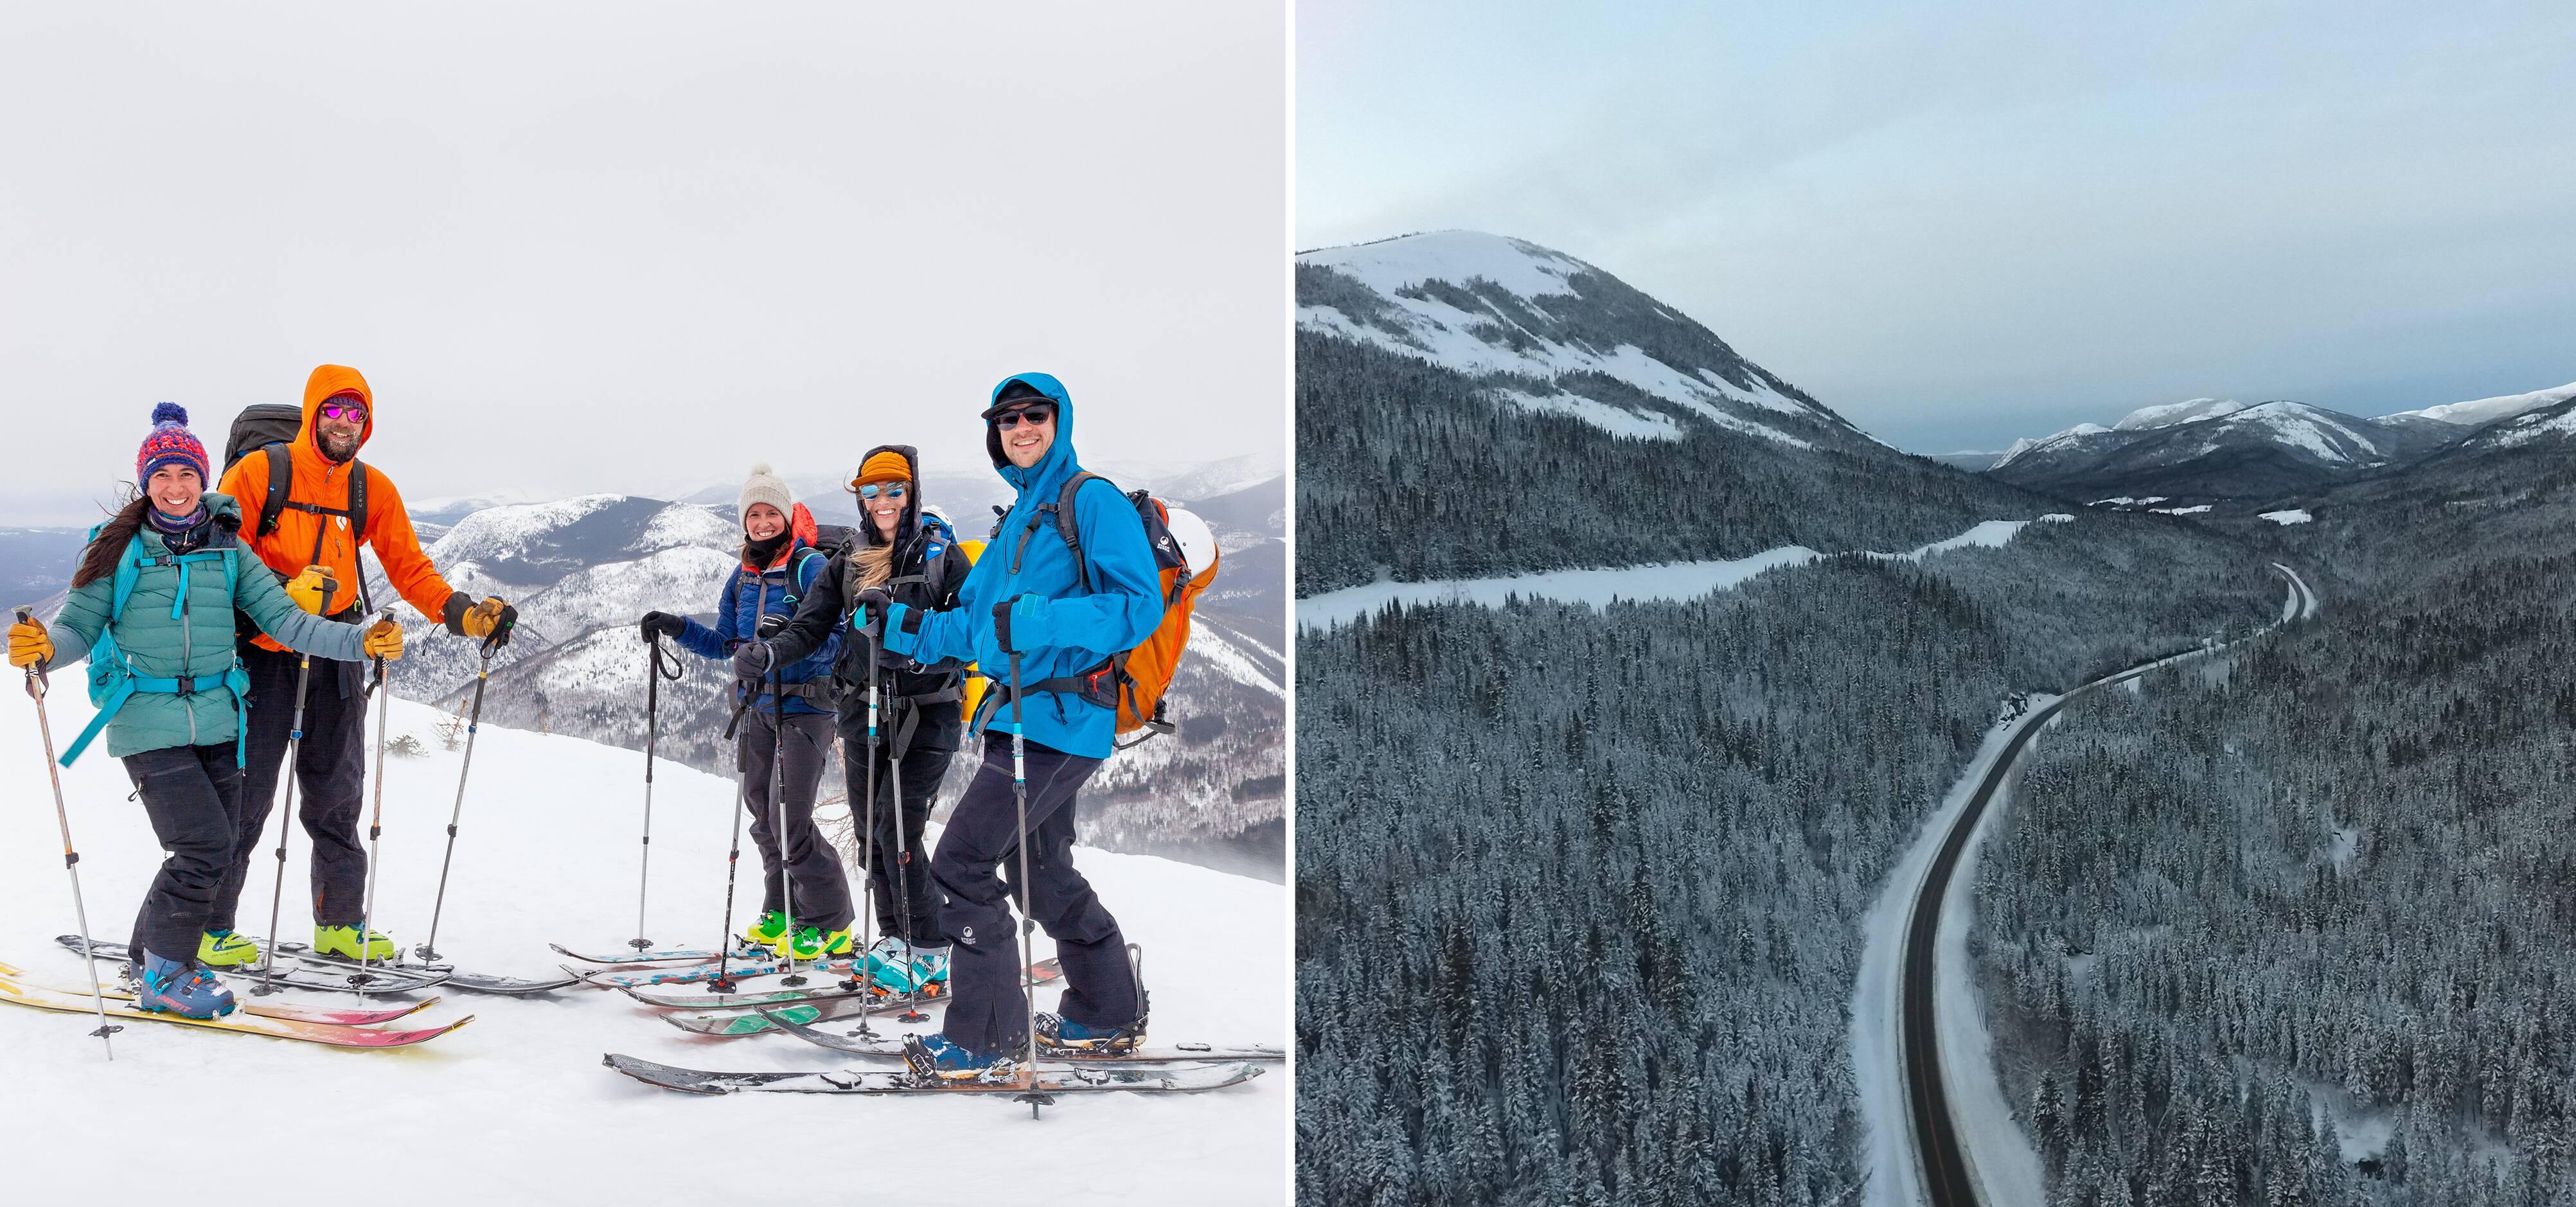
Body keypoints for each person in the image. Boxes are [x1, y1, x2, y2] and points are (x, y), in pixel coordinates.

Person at [5, 405, 405, 1018]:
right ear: (147, 483)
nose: (174, 487)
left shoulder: (229, 548)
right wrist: (45, 649)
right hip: (147, 717)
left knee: (210, 847)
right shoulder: (117, 551)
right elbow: (79, 629)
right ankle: (167, 974)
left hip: (222, 720)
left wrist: (361, 640)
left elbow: (286, 621)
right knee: (204, 847)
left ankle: (149, 955)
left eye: (185, 474)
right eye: (161, 475)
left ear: (203, 478)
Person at [867, 373, 1165, 1078]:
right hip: (1017, 716)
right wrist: (898, 625)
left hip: (1064, 718)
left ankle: (986, 1036)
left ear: (1058, 421)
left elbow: (1137, 605)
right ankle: (1108, 1010)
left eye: (1034, 415)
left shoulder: (1087, 500)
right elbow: (973, 627)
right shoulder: (1017, 520)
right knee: (1035, 868)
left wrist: (1038, 619)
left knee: (960, 864)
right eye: (1007, 419)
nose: (1021, 427)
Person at [203, 364, 514, 969]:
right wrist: (283, 592)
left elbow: (410, 568)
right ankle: (211, 925)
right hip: (264, 654)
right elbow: (218, 554)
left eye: (356, 413)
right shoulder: (260, 472)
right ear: (314, 411)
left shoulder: (370, 488)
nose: (345, 423)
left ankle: (340, 924)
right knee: (247, 794)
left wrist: (464, 614)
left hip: (339, 651)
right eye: (335, 410)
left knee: (337, 794)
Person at [758, 445, 972, 994]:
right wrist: (769, 655)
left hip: (926, 713)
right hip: (862, 710)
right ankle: (897, 938)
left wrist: (913, 640)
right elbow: (809, 625)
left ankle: (928, 946)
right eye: (871, 491)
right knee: (869, 833)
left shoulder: (941, 558)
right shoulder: (848, 559)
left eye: (893, 490)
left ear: (912, 491)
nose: (882, 501)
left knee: (898, 831)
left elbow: (971, 634)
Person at [639, 464, 854, 959]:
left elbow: (836, 639)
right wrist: (677, 626)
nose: (761, 522)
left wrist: (781, 647)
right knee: (763, 817)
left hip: (805, 706)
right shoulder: (745, 576)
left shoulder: (808, 568)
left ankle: (830, 923)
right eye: (753, 514)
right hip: (758, 708)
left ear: (786, 515)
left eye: (770, 512)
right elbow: (725, 645)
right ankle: (781, 912)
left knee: (790, 820)